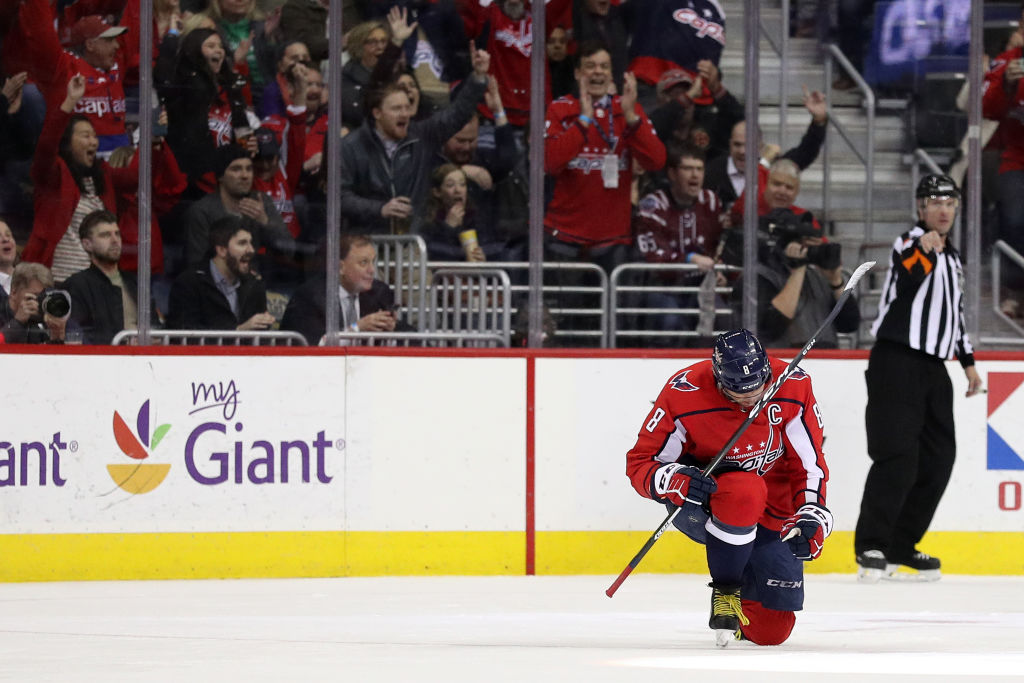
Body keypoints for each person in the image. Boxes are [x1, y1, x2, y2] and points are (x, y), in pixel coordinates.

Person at [625, 329, 831, 647]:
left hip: (773, 510)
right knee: (745, 489)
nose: (751, 398)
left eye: (757, 387)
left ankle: (745, 564)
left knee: (771, 632)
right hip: (708, 502)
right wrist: (674, 478)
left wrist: (811, 516)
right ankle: (726, 588)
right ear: (719, 379)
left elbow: (809, 465)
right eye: (738, 392)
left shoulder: (794, 384)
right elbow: (641, 463)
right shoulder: (684, 391)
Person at [854, 174, 984, 583]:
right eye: (935, 201)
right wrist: (924, 250)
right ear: (920, 207)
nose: (944, 209)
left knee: (938, 459)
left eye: (950, 202)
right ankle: (871, 545)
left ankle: (900, 545)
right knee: (897, 456)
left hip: (933, 368)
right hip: (896, 361)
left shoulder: (953, 257)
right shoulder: (909, 242)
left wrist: (968, 363)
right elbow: (908, 275)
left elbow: (955, 315)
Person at [339, 43, 491, 235]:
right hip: (366, 244)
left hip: (412, 244)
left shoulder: (421, 136)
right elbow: (340, 198)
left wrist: (477, 77)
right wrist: (380, 209)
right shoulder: (351, 145)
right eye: (396, 109)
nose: (405, 113)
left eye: (406, 107)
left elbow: (457, 115)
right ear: (377, 113)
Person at [543, 41, 666, 274]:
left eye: (604, 66)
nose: (598, 71)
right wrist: (584, 121)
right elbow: (549, 163)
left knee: (610, 311)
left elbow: (656, 161)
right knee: (565, 311)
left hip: (613, 240)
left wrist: (630, 117)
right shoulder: (560, 109)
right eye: (590, 66)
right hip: (564, 237)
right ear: (578, 73)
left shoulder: (628, 110)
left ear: (611, 74)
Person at [4, 0, 131, 154]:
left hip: (121, 154)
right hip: (83, 156)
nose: (116, 46)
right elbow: (41, 35)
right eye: (109, 40)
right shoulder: (65, 68)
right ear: (90, 45)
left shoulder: (116, 65)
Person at [728, 204, 860, 349]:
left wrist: (836, 282)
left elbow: (850, 324)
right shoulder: (758, 277)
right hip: (782, 363)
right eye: (806, 244)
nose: (811, 250)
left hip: (825, 360)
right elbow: (770, 328)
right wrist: (798, 268)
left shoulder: (817, 276)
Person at [633, 143, 725, 344]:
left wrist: (720, 268)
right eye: (688, 169)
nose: (695, 175)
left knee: (725, 318)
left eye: (699, 169)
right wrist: (689, 259)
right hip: (664, 287)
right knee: (670, 320)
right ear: (673, 173)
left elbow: (720, 243)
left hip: (701, 286)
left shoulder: (710, 201)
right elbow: (651, 257)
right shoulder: (653, 205)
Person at [281, 233, 410, 344]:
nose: (372, 270)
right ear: (340, 267)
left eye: (373, 262)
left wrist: (392, 330)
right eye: (363, 263)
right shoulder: (310, 297)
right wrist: (357, 329)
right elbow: (312, 347)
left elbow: (410, 338)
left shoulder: (379, 292)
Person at [183, 144, 294, 270]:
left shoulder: (260, 202)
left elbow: (289, 250)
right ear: (220, 176)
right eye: (236, 169)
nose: (245, 176)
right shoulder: (202, 211)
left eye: (249, 169)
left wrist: (265, 221)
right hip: (216, 284)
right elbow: (196, 266)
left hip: (256, 283)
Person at [62, 210, 156, 344]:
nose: (115, 240)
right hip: (105, 361)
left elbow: (156, 328)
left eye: (117, 234)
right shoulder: (77, 285)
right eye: (105, 235)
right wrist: (125, 343)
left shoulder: (137, 282)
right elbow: (79, 335)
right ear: (87, 244)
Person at [167, 216, 275, 330]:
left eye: (251, 243)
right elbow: (185, 335)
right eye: (242, 243)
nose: (251, 250)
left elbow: (261, 338)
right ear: (222, 250)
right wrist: (238, 331)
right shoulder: (189, 283)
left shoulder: (254, 283)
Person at [0, 262, 69, 344]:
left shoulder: (39, 322)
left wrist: (56, 338)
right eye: (35, 296)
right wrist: (18, 322)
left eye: (42, 298)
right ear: (14, 292)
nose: (38, 303)